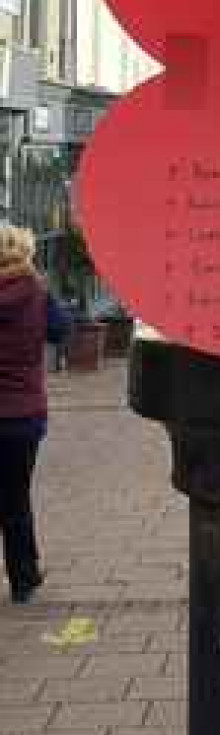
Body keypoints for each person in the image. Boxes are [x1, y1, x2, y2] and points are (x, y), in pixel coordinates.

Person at [0, 223, 71, 604]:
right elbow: (61, 333)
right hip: (23, 417)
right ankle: (24, 579)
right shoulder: (38, 294)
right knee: (15, 498)